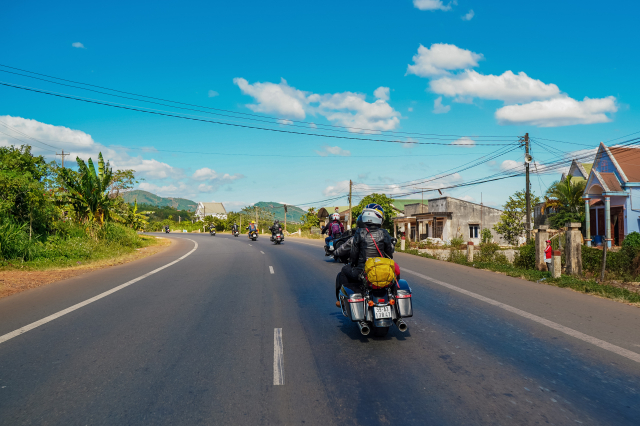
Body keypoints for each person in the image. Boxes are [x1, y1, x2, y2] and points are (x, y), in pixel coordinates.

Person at [335, 204, 394, 304]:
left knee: (344, 270)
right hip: (381, 270)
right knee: (395, 271)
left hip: (363, 271)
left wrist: (353, 264)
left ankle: (343, 300)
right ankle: (393, 294)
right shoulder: (384, 232)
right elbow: (389, 254)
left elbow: (354, 254)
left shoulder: (359, 232)